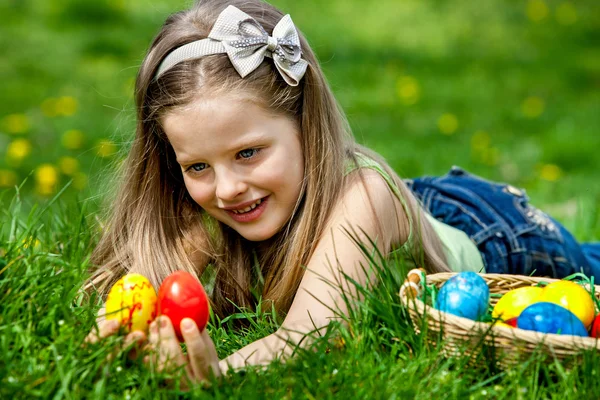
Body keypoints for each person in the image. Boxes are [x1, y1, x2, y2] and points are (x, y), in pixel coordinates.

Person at [84, 0, 600, 386]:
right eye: (197, 166)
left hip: (499, 235)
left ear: (305, 126)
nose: (226, 188)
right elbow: (142, 291)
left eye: (248, 153)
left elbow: (312, 335)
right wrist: (125, 337)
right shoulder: (210, 206)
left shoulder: (366, 196)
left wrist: (218, 373)